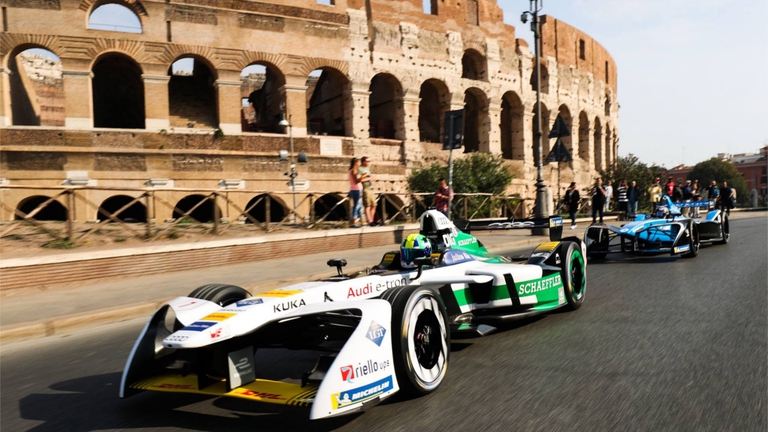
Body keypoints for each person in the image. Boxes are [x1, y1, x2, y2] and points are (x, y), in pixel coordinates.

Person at [358, 156, 377, 225]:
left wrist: (371, 180)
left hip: (370, 188)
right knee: (367, 205)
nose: (368, 162)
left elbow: (369, 177)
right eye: (367, 161)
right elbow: (360, 180)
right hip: (365, 189)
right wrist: (368, 179)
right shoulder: (360, 169)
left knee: (374, 205)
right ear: (363, 161)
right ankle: (370, 221)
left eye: (369, 161)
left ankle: (372, 220)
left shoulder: (367, 169)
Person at [348, 157, 365, 227]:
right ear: (356, 163)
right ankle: (354, 223)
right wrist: (363, 176)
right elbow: (357, 181)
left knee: (359, 206)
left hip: (355, 190)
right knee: (357, 206)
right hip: (357, 190)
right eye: (359, 162)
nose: (360, 163)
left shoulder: (351, 170)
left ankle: (363, 222)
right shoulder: (354, 170)